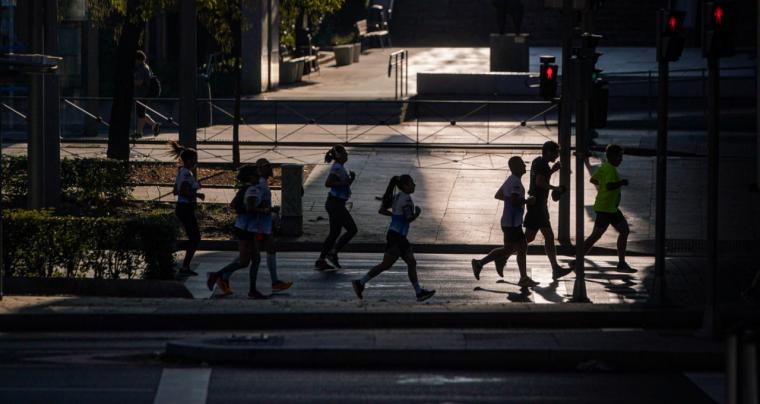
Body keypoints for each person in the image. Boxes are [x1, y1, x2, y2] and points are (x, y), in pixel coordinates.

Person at [351, 175, 435, 302]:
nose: (414, 185)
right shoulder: (405, 200)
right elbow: (408, 218)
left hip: (395, 235)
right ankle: (418, 293)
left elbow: (382, 210)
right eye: (411, 183)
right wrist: (417, 213)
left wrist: (394, 216)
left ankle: (361, 283)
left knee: (393, 264)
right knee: (403, 263)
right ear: (405, 186)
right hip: (398, 237)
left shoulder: (397, 197)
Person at [471, 156, 538, 288]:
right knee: (522, 247)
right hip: (513, 223)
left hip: (508, 222)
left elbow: (499, 195)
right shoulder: (516, 183)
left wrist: (511, 202)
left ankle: (481, 263)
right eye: (522, 164)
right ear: (515, 167)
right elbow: (513, 200)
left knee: (510, 249)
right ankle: (523, 278)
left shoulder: (511, 180)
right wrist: (526, 201)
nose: (525, 166)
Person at [574, 144, 634, 272]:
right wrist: (621, 182)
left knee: (622, 231)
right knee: (597, 235)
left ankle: (621, 263)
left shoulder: (605, 166)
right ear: (612, 156)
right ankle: (577, 259)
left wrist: (603, 187)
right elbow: (609, 186)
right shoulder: (611, 169)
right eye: (619, 156)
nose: (621, 159)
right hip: (607, 209)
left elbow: (593, 180)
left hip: (608, 207)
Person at [206, 164, 260, 297]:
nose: (259, 177)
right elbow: (251, 209)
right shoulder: (252, 190)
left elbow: (233, 204)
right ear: (250, 176)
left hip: (243, 227)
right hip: (246, 229)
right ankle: (217, 275)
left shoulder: (244, 189)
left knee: (254, 260)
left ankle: (252, 289)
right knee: (245, 262)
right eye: (256, 174)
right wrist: (267, 210)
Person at [523, 141, 572, 280]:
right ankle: (501, 256)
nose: (557, 155)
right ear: (548, 152)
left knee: (547, 237)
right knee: (529, 238)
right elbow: (539, 183)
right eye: (555, 152)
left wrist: (552, 171)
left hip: (538, 206)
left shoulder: (538, 162)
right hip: (537, 206)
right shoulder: (542, 165)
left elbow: (539, 178)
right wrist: (556, 188)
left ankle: (556, 268)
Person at [251, 158, 293, 295]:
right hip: (259, 224)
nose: (270, 168)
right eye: (266, 166)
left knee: (269, 250)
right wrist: (270, 210)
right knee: (246, 257)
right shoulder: (261, 185)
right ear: (260, 170)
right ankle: (222, 275)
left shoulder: (264, 183)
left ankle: (275, 282)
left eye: (269, 165)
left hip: (264, 223)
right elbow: (255, 205)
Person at [315, 145, 357, 271]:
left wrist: (350, 180)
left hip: (336, 203)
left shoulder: (340, 167)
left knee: (334, 233)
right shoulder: (337, 168)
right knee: (352, 229)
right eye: (344, 153)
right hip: (335, 205)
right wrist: (345, 182)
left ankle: (321, 260)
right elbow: (328, 183)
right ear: (338, 156)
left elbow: (342, 185)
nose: (346, 155)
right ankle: (332, 253)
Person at [168, 141, 203, 277]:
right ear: (188, 160)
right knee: (195, 238)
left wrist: (194, 187)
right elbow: (182, 191)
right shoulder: (187, 174)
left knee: (193, 238)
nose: (196, 162)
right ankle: (182, 263)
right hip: (185, 208)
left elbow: (175, 191)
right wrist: (197, 193)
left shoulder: (184, 172)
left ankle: (177, 254)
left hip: (183, 208)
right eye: (194, 159)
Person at [134, 50, 160, 138]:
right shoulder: (146, 66)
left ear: (138, 59)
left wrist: (130, 81)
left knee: (140, 113)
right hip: (144, 94)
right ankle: (154, 125)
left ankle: (139, 132)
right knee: (141, 112)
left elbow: (140, 82)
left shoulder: (142, 68)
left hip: (143, 94)